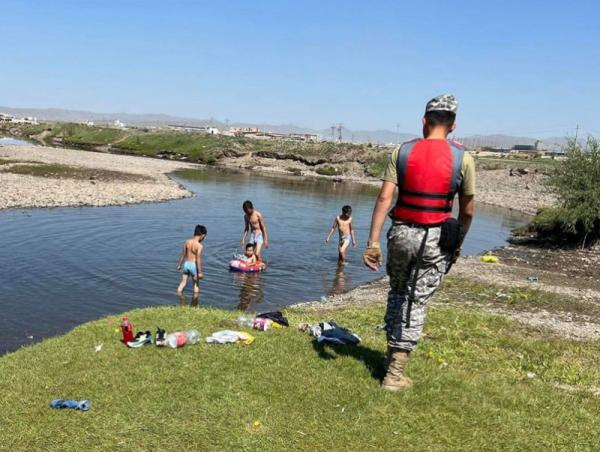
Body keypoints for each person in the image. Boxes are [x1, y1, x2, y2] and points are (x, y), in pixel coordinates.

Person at [363, 94, 475, 391]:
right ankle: (394, 375)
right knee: (417, 299)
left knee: (398, 292)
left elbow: (385, 198)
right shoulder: (463, 158)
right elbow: (466, 211)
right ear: (453, 126)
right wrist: (458, 243)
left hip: (400, 234)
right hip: (434, 239)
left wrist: (372, 242)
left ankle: (390, 362)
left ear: (424, 121)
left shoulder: (401, 151)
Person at [176, 224, 207, 295]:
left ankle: (178, 295)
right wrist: (200, 272)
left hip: (186, 264)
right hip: (193, 266)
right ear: (202, 235)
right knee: (196, 285)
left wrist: (179, 265)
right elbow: (198, 259)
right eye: (204, 237)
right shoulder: (199, 246)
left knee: (183, 283)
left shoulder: (187, 242)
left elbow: (183, 254)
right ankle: (195, 302)